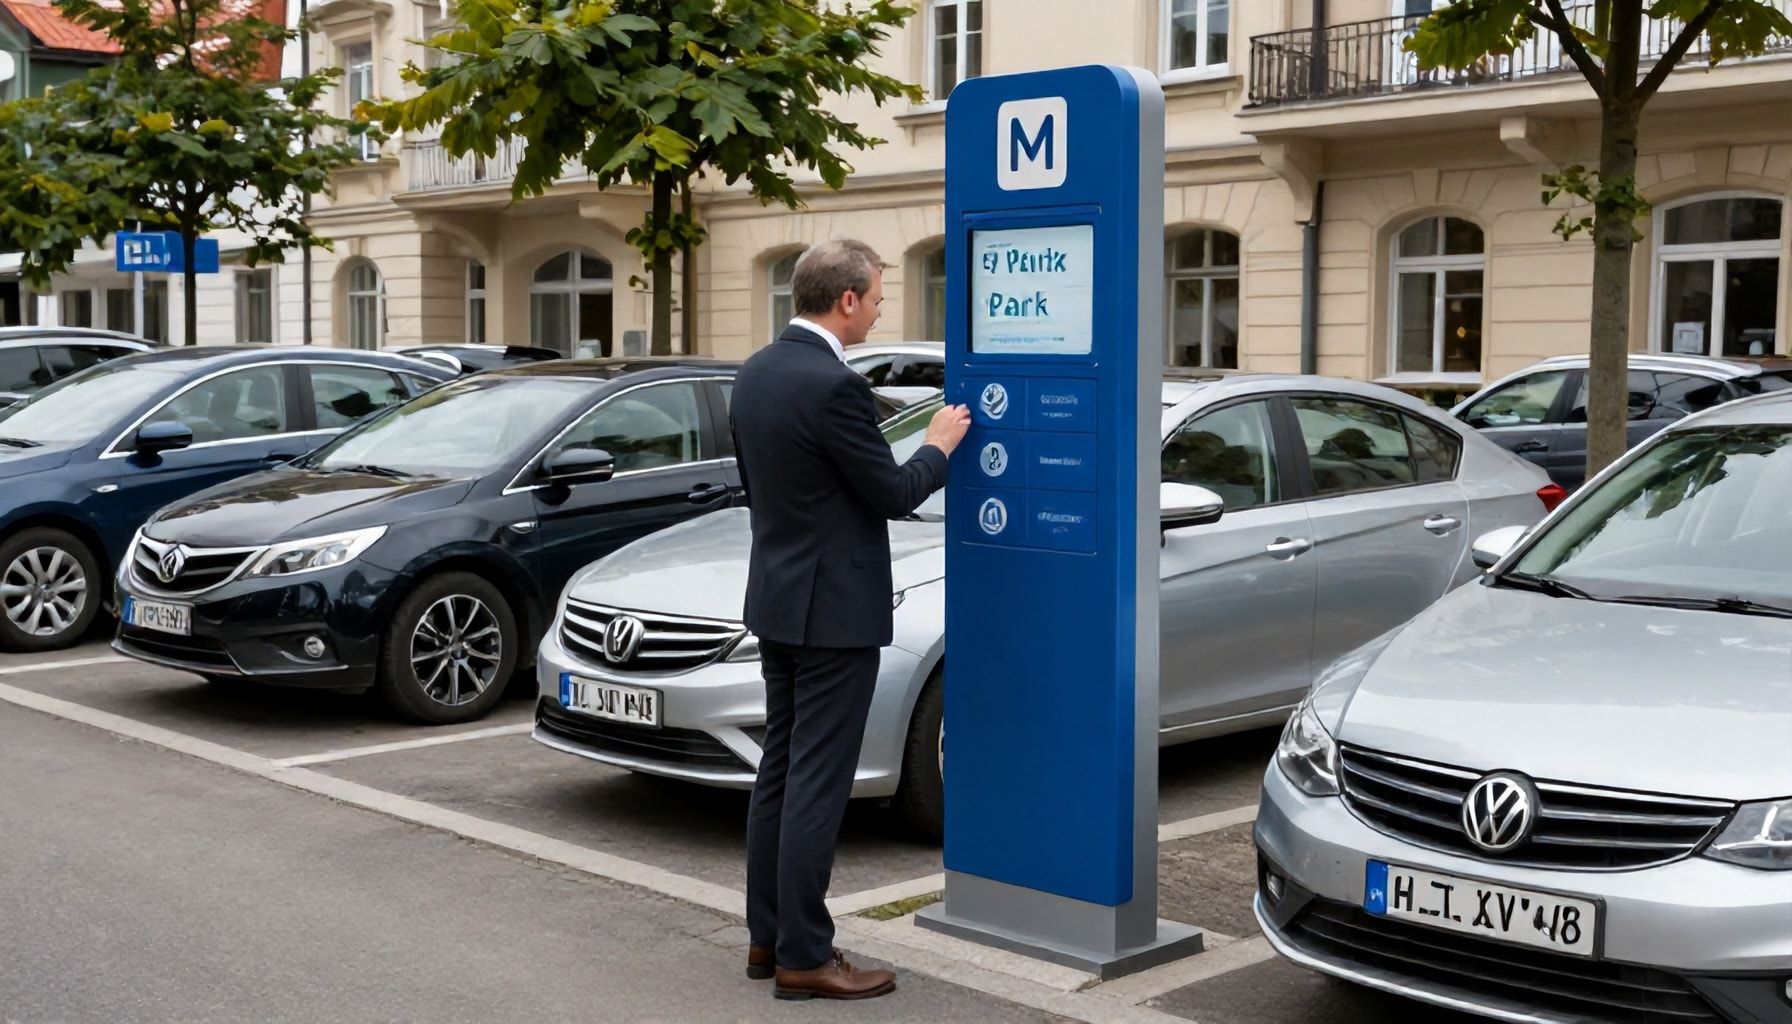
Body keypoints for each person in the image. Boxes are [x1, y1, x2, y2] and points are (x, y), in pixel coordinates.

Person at [730, 240, 971, 1001]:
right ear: (846, 301)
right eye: (875, 299)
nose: (877, 311)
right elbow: (892, 492)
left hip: (778, 598)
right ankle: (807, 953)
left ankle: (767, 939)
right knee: (818, 782)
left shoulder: (758, 371)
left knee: (780, 771)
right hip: (833, 610)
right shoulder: (834, 386)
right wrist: (937, 448)